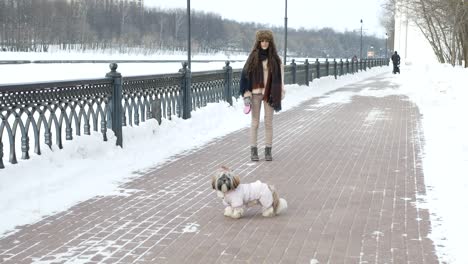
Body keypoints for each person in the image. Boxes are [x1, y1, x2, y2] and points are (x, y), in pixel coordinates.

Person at [239, 29, 285, 162]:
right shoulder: (253, 57)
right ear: (258, 42)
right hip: (255, 94)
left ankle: (268, 151)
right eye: (262, 41)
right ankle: (253, 151)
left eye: (267, 41)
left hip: (270, 94)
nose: (264, 43)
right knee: (255, 123)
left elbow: (280, 78)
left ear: (270, 43)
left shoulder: (276, 59)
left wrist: (280, 91)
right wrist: (246, 94)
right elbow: (245, 77)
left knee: (269, 123)